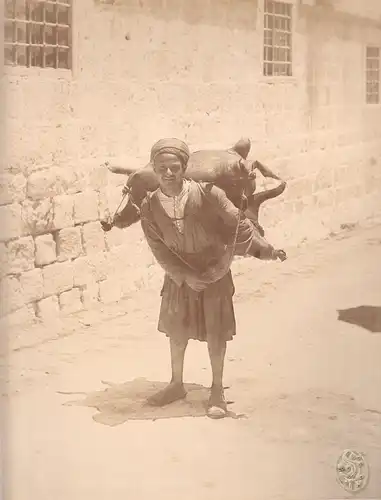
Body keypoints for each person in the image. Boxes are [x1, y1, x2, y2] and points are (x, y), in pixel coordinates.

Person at [140, 138, 282, 419]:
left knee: (216, 334)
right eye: (162, 169)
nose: (168, 174)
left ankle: (217, 390)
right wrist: (183, 276)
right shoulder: (149, 205)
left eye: (174, 167)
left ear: (184, 168)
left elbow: (239, 226)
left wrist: (264, 251)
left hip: (214, 272)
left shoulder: (209, 194)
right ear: (155, 171)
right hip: (179, 277)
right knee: (176, 332)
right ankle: (176, 384)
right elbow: (158, 249)